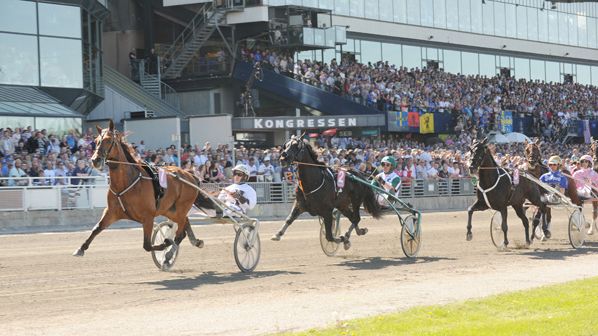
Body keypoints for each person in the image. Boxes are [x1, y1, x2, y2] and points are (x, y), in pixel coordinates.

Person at [539, 155, 569, 239]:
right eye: (550, 165)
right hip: (545, 197)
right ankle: (544, 228)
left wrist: (560, 197)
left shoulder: (562, 178)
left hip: (555, 198)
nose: (552, 166)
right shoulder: (544, 176)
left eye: (554, 164)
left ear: (558, 165)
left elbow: (562, 191)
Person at [572, 154, 598, 234]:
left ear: (589, 163)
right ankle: (582, 221)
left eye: (586, 161)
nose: (583, 163)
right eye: (582, 161)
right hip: (579, 192)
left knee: (595, 206)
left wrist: (591, 183)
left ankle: (592, 226)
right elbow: (573, 184)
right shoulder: (576, 173)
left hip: (591, 192)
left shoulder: (594, 174)